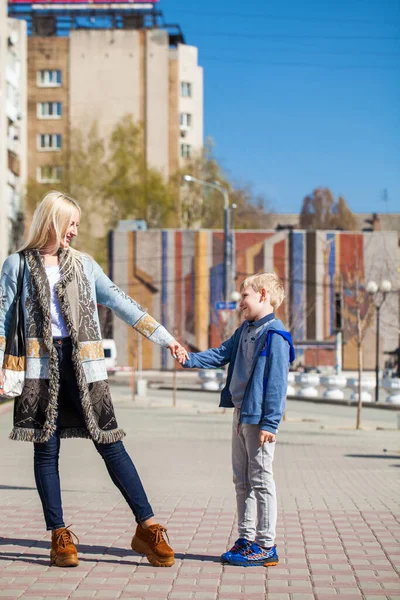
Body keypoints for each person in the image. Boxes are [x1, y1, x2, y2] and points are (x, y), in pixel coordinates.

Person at [0, 191, 188, 568]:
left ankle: (147, 527)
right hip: (38, 368)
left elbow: (122, 302)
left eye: (76, 226)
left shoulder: (84, 265)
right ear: (52, 221)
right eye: (70, 223)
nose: (74, 231)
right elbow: (3, 316)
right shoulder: (16, 265)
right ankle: (60, 535)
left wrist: (167, 339)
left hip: (85, 368)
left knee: (111, 445)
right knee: (46, 450)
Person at [177, 273, 295, 567]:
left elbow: (277, 384)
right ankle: (246, 539)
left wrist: (271, 423)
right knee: (241, 481)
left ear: (263, 294)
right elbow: (221, 354)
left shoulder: (275, 336)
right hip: (240, 413)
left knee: (261, 480)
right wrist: (188, 358)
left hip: (259, 420)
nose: (240, 302)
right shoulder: (245, 330)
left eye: (245, 296)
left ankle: (266, 545)